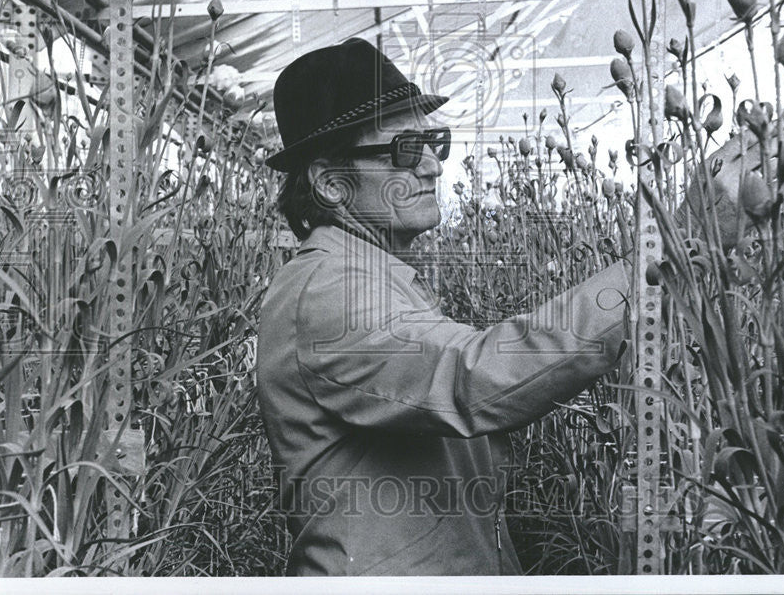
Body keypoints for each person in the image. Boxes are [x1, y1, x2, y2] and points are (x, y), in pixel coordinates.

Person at [257, 37, 630, 576]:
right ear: (332, 183)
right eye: (406, 149)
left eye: (435, 142)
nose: (432, 166)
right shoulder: (326, 291)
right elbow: (471, 377)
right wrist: (651, 269)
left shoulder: (375, 276)